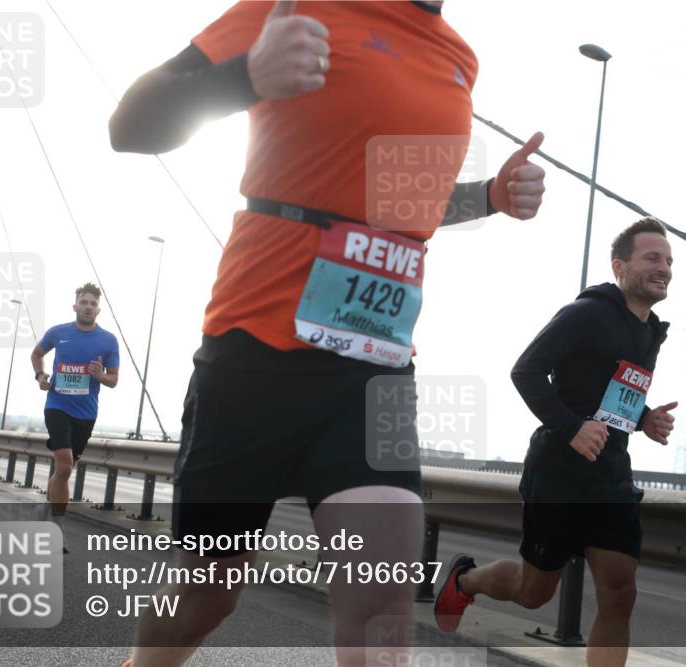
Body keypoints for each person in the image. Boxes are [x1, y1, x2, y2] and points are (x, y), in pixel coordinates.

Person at [108, 1, 546, 665]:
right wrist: (247, 77)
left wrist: (488, 196)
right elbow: (128, 126)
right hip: (254, 350)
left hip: (375, 369)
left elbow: (396, 199)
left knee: (382, 603)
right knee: (207, 593)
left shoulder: (458, 56)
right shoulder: (297, 5)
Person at [434, 217, 678, 667]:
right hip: (558, 473)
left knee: (620, 592)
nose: (663, 267)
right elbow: (524, 370)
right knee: (534, 592)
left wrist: (643, 418)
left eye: (668, 260)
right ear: (619, 266)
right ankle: (465, 580)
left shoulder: (649, 332)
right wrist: (571, 427)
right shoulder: (586, 313)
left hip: (610, 476)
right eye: (651, 258)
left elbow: (609, 395)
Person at [30, 282, 119, 552]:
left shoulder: (108, 340)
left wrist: (100, 376)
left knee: (63, 472)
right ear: (75, 306)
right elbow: (36, 354)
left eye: (93, 303)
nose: (88, 307)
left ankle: (46, 507)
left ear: (98, 310)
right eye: (84, 302)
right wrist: (40, 375)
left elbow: (114, 380)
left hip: (86, 414)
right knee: (66, 466)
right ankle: (56, 530)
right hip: (57, 406)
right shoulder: (58, 333)